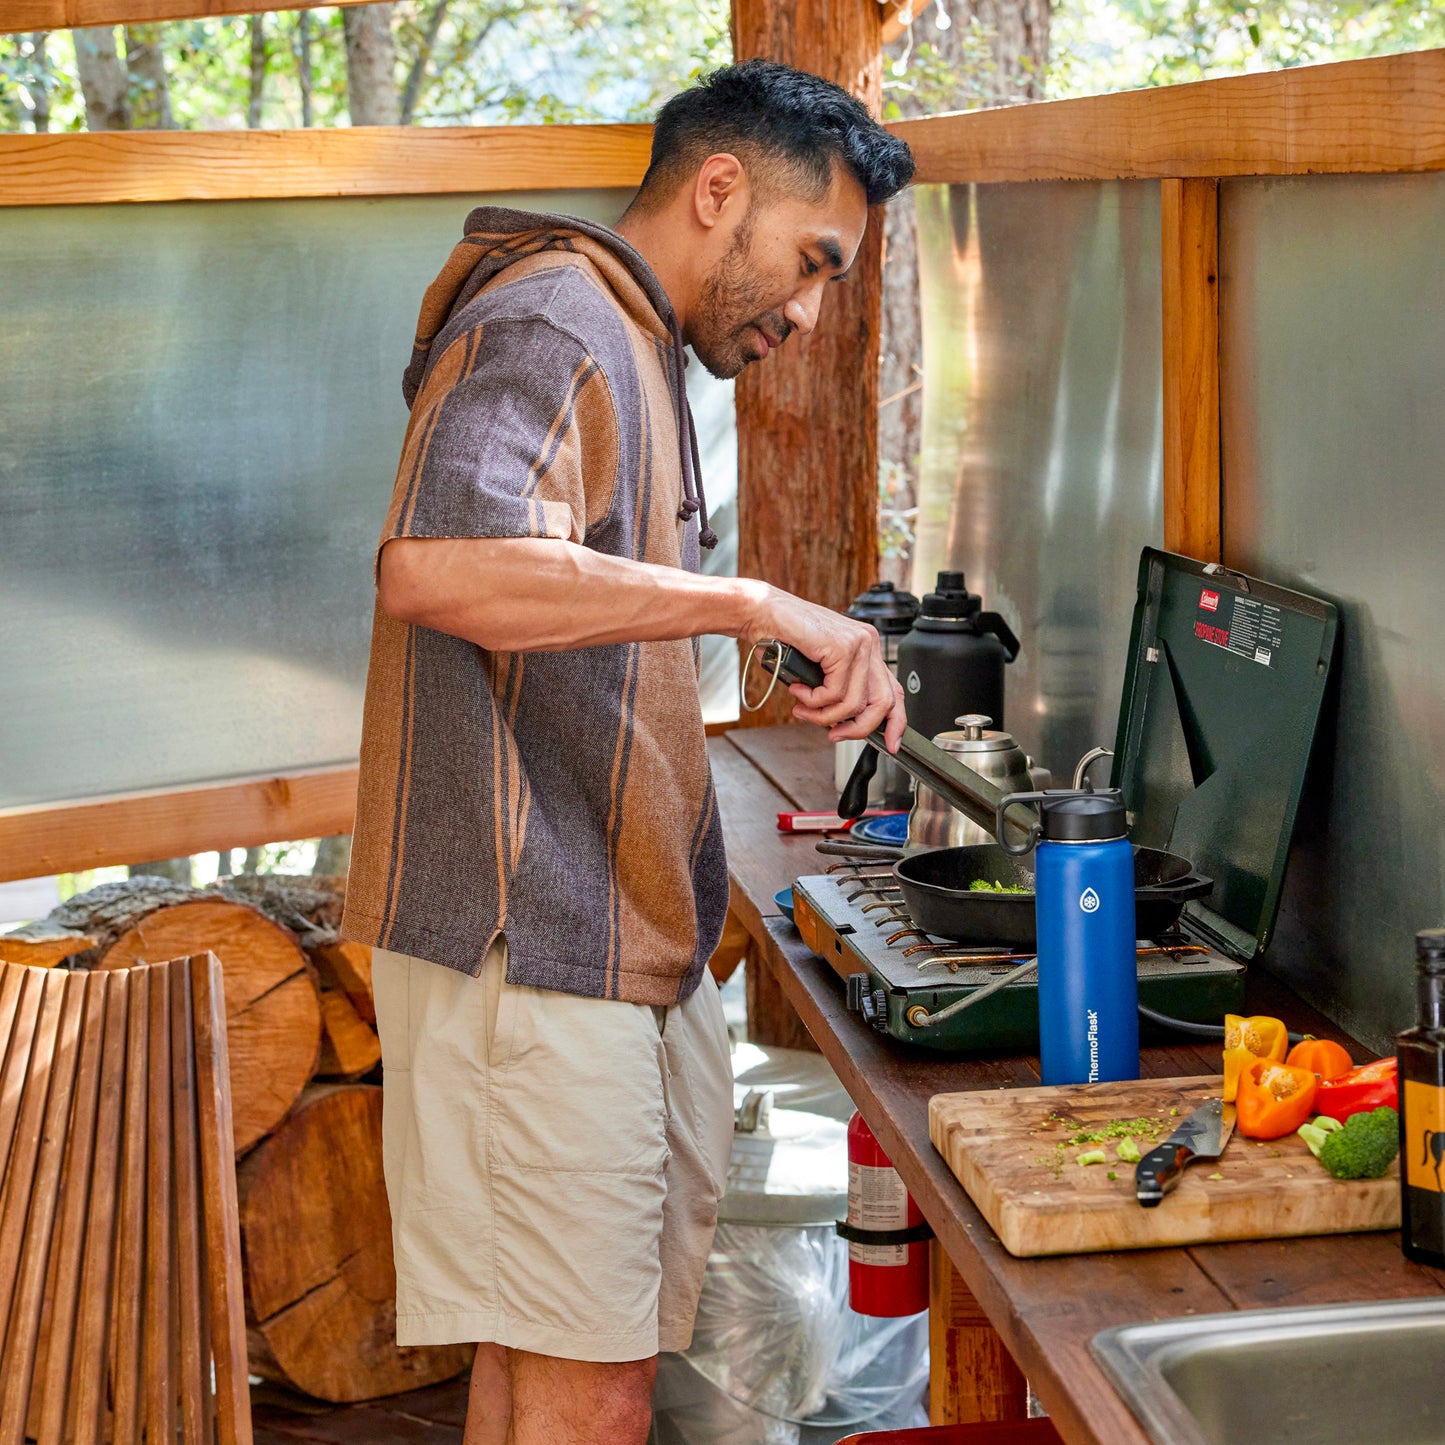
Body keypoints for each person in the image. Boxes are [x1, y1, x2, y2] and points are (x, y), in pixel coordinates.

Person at [340, 59, 914, 1445]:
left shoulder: (635, 339)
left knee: (545, 1369)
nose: (809, 308)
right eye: (809, 259)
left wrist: (758, 640)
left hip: (600, 940)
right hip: (525, 941)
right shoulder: (553, 318)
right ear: (719, 190)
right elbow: (441, 564)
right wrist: (749, 600)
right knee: (589, 1388)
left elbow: (577, 606)